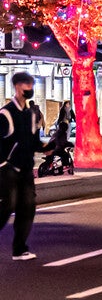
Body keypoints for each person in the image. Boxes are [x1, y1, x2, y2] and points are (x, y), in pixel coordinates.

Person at [1, 72, 44, 260]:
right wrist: (3, 164)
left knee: (27, 207)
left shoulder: (31, 114)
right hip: (8, 169)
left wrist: (47, 148)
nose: (30, 90)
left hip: (26, 169)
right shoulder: (6, 114)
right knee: (6, 207)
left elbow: (34, 141)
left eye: (31, 86)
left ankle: (20, 249)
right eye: (28, 86)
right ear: (18, 87)